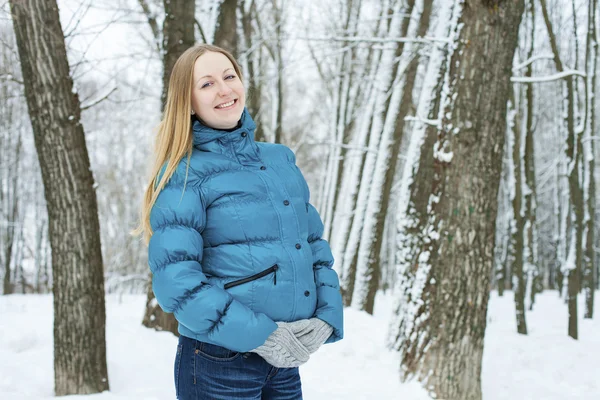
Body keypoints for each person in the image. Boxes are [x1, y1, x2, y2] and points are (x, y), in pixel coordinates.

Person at [135, 44, 344, 400]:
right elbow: (177, 284)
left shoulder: (280, 161)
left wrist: (327, 315)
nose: (224, 89)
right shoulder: (182, 174)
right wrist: (261, 336)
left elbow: (314, 248)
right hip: (217, 362)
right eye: (207, 84)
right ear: (188, 102)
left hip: (285, 359)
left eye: (229, 76)